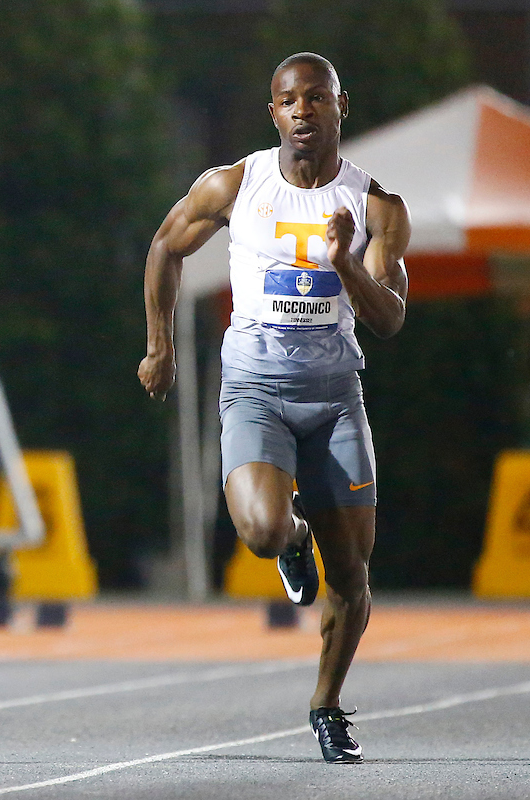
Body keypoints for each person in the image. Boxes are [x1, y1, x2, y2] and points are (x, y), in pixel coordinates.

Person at [138, 53, 409, 763]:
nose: (303, 112)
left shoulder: (376, 205)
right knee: (257, 530)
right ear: (273, 114)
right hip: (255, 388)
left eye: (316, 98)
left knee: (351, 577)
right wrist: (160, 346)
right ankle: (292, 540)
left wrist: (348, 264)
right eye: (289, 101)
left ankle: (326, 707)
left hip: (335, 399)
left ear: (340, 106)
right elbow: (166, 246)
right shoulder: (236, 183)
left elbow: (389, 319)